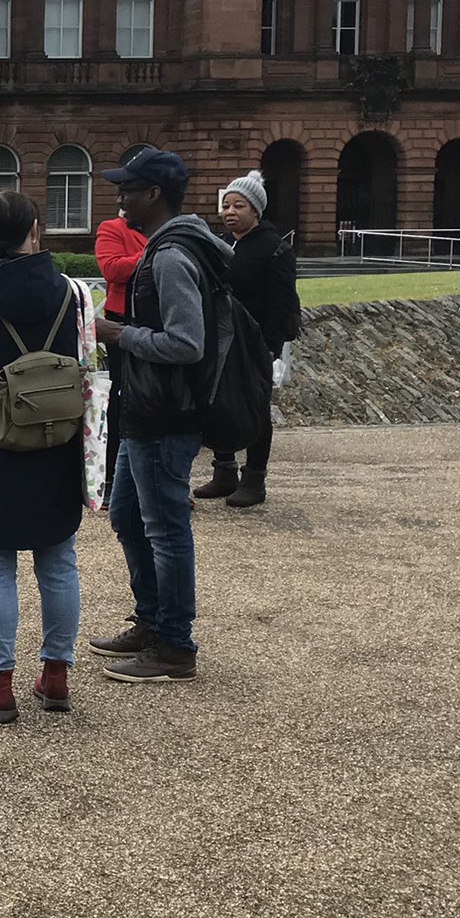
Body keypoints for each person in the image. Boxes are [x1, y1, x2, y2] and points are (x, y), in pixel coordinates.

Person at [0, 191, 87, 724]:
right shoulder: (69, 292)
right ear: (35, 230)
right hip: (56, 436)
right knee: (57, 558)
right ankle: (55, 675)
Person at [90, 147, 230, 684]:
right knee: (126, 516)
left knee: (166, 528)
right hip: (144, 405)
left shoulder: (171, 256)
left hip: (165, 410)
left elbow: (187, 342)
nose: (119, 197)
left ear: (153, 195)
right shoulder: (167, 247)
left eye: (128, 188)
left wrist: (118, 333)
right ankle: (152, 620)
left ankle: (174, 645)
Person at [195, 170, 301, 508]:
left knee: (255, 408)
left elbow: (282, 303)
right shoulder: (222, 244)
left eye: (238, 205)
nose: (229, 212)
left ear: (255, 210)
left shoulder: (275, 249)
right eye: (226, 205)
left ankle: (254, 478)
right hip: (221, 339)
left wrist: (270, 346)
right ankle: (224, 471)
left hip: (255, 342)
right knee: (219, 402)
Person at [92, 203, 149, 504]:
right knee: (121, 396)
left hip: (155, 319)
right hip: (121, 320)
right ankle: (114, 473)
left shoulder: (164, 230)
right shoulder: (112, 229)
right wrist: (152, 256)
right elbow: (112, 268)